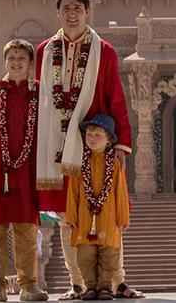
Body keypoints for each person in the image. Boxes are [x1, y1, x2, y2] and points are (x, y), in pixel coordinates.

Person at [34, 0, 141, 299]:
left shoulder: (102, 51)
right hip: (56, 149)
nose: (71, 14)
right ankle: (78, 284)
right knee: (69, 217)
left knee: (105, 211)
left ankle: (115, 281)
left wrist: (120, 145)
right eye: (66, 8)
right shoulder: (44, 51)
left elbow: (115, 98)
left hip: (93, 149)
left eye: (77, 9)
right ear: (58, 12)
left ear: (87, 12)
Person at [0, 39, 49, 302]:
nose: (16, 62)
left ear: (31, 63)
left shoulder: (40, 93)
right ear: (4, 62)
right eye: (12, 58)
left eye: (22, 58)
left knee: (26, 231)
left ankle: (28, 285)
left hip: (27, 171)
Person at [65, 115, 130, 302]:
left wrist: (123, 217)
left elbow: (120, 191)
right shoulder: (80, 162)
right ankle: (90, 286)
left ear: (109, 139)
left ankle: (105, 287)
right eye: (89, 135)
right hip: (85, 217)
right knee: (85, 255)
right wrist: (71, 215)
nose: (92, 139)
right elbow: (73, 192)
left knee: (108, 254)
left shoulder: (115, 164)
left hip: (109, 217)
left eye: (98, 135)